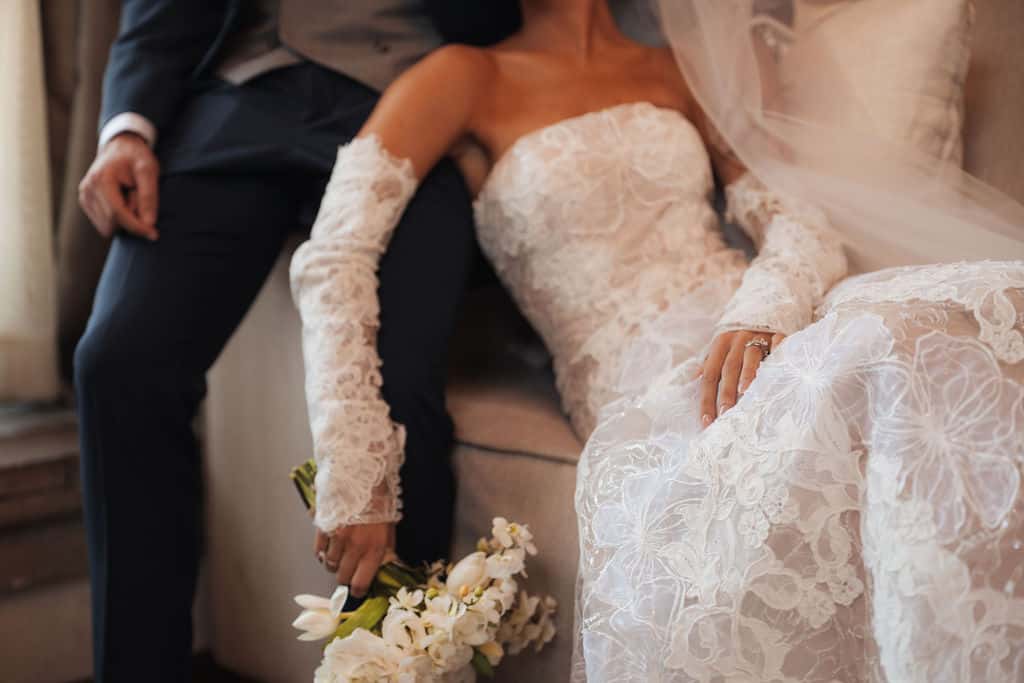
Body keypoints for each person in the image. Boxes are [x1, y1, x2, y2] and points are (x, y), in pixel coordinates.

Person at [292, 0, 1024, 679]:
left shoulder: (675, 67)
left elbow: (794, 215)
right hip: (652, 377)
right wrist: (355, 466)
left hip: (763, 321)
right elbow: (335, 256)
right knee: (870, 373)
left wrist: (764, 307)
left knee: (946, 324)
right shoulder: (462, 77)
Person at [73, 1, 519, 680]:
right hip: (237, 101)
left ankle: (392, 668)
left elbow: (497, 19)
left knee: (400, 392)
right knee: (116, 364)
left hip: (410, 104)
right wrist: (125, 130)